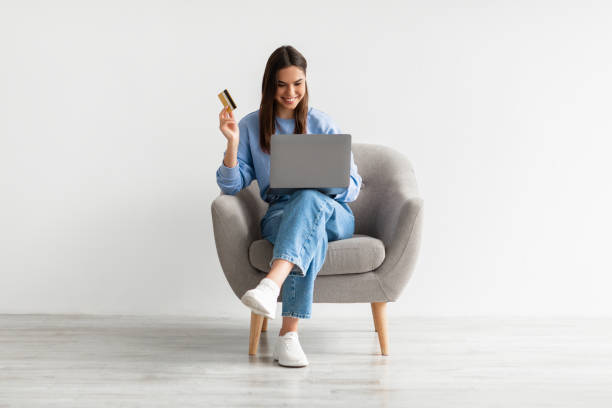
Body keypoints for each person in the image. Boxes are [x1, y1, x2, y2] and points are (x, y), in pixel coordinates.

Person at [216, 45, 362, 367]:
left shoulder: (322, 123)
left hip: (333, 211)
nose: (290, 92)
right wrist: (232, 143)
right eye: (282, 84)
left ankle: (271, 284)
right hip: (281, 213)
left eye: (298, 83)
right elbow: (229, 186)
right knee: (309, 234)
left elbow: (353, 187)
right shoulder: (252, 126)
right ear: (270, 85)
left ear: (306, 83)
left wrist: (323, 180)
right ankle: (288, 337)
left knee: (310, 198)